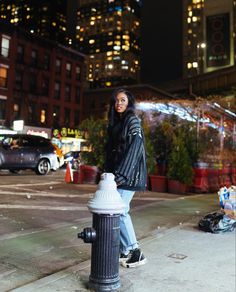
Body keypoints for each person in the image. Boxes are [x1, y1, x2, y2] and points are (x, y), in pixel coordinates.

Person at [105, 88, 147, 268]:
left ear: (129, 102)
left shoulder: (132, 120)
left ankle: (135, 251)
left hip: (129, 174)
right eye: (116, 101)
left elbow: (136, 146)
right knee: (117, 210)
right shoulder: (118, 122)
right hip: (120, 174)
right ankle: (125, 251)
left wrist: (122, 174)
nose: (118, 103)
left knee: (119, 210)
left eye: (122, 100)